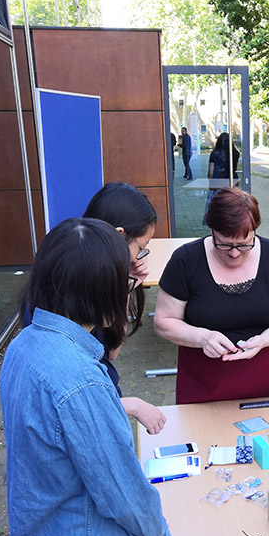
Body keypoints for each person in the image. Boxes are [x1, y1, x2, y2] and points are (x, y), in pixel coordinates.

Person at [1, 218, 172, 536]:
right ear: (99, 294)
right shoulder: (82, 380)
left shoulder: (22, 346)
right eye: (124, 284)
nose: (128, 294)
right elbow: (124, 493)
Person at [154, 186, 269, 403]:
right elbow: (164, 321)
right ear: (211, 230)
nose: (234, 253)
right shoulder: (186, 260)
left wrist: (264, 340)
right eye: (224, 244)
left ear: (255, 230)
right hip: (204, 388)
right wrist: (203, 337)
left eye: (244, 245)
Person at [81, 182, 166, 435]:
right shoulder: (71, 290)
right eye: (140, 248)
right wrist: (131, 405)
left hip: (103, 404)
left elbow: (112, 352)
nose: (138, 258)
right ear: (119, 235)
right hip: (93, 415)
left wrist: (126, 284)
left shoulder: (97, 273)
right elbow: (72, 396)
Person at [205, 132, 240, 220]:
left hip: (218, 183)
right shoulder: (235, 153)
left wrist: (210, 183)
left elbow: (210, 172)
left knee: (215, 211)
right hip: (232, 182)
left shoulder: (215, 154)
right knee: (231, 207)